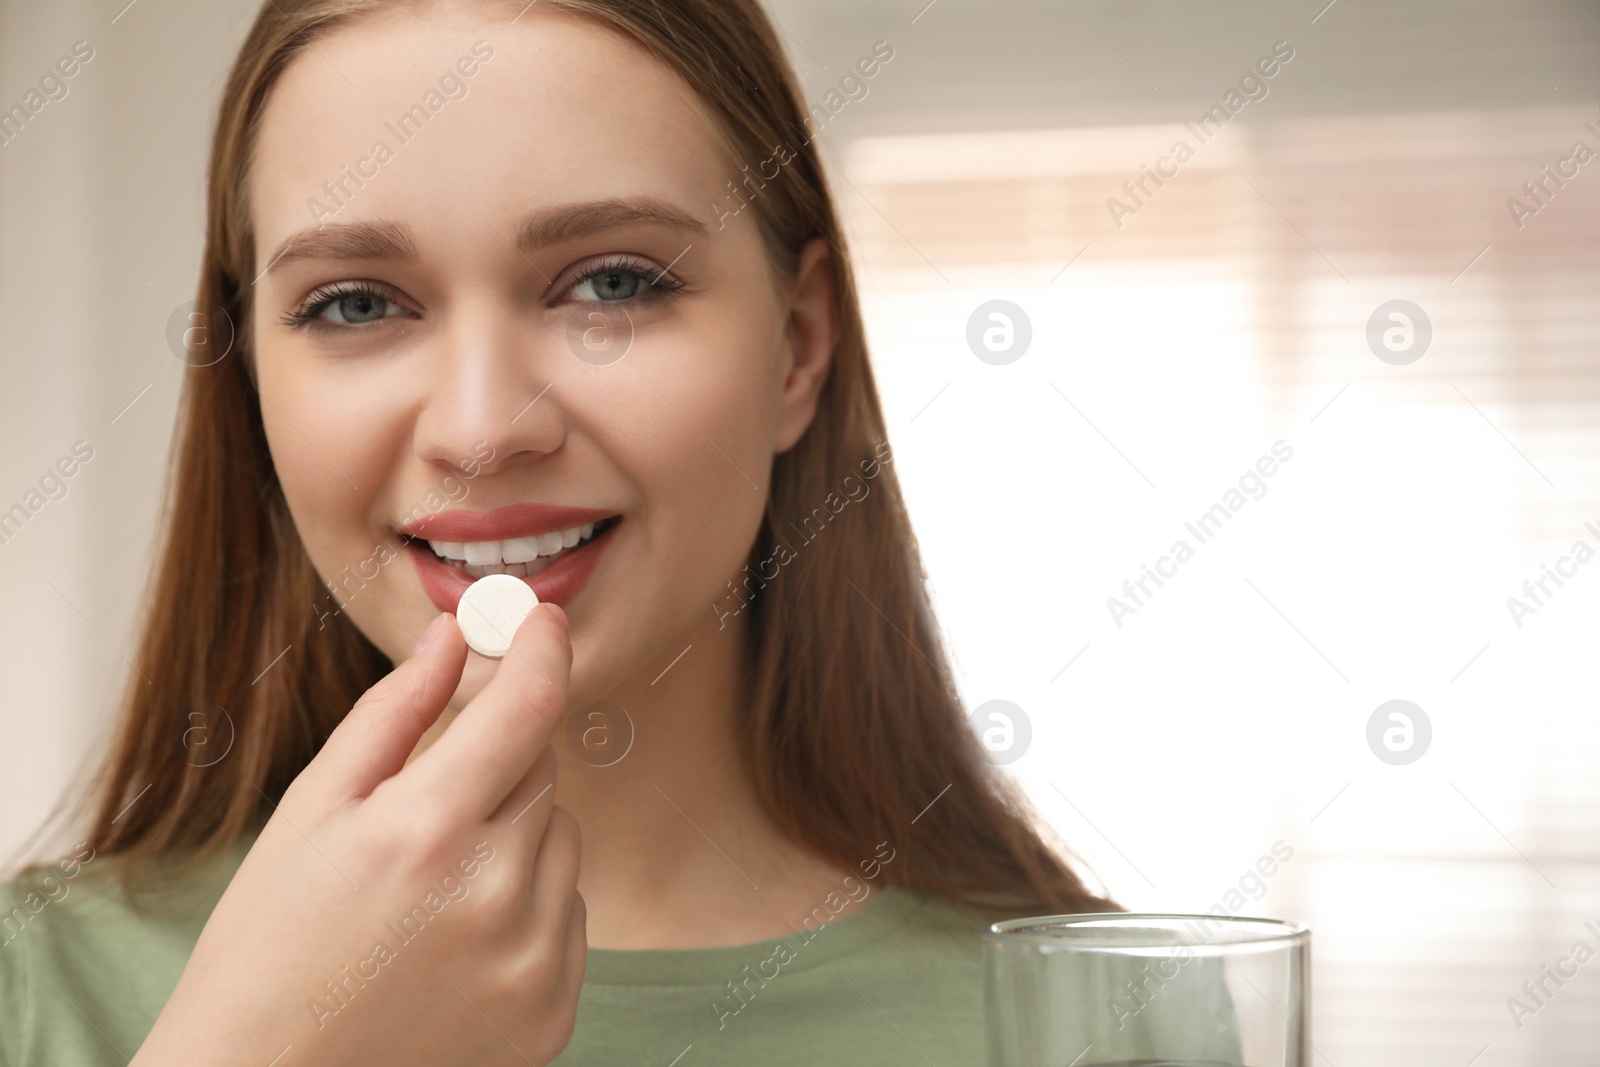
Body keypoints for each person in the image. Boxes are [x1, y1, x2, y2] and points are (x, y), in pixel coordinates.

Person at [0, 1, 1118, 1063]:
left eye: (614, 283)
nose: (483, 429)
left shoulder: (1106, 1015)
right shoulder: (32, 986)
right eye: (355, 302)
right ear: (247, 376)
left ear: (798, 345)